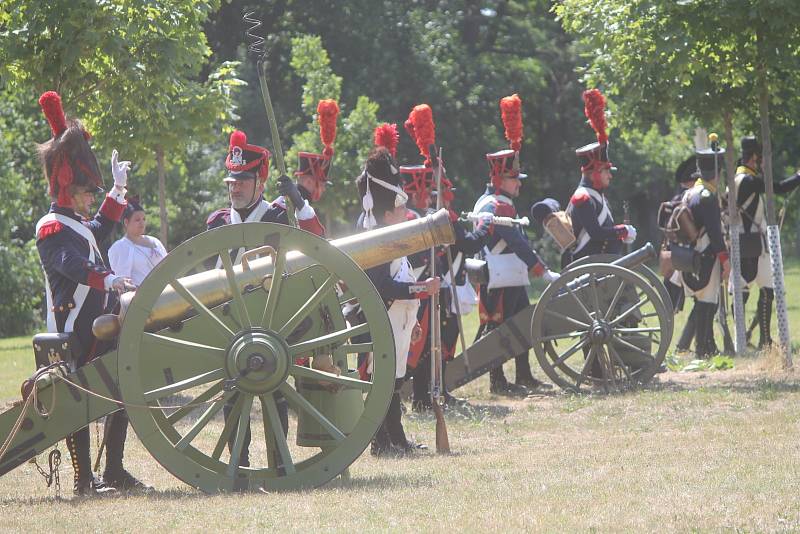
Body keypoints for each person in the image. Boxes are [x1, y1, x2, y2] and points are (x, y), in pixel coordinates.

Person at [34, 91, 149, 495]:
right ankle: (85, 481)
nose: (89, 200)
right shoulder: (51, 227)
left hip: (102, 324)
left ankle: (113, 469)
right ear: (67, 189)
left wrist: (117, 192)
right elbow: (70, 264)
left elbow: (98, 229)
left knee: (122, 388)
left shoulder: (76, 223)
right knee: (79, 402)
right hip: (74, 326)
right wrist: (108, 279)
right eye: (85, 193)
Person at [357, 139, 439, 455]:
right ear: (389, 213)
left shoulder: (393, 238)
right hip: (383, 320)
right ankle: (382, 442)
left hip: (399, 321)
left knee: (392, 383)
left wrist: (415, 318)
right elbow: (382, 288)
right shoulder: (377, 244)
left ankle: (396, 439)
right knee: (385, 384)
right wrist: (421, 290)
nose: (407, 212)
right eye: (401, 208)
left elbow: (400, 277)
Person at [473, 94, 557, 395]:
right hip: (500, 275)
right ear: (499, 179)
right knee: (498, 328)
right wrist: (541, 269)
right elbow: (517, 241)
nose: (519, 184)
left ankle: (522, 375)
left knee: (522, 324)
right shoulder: (499, 205)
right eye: (514, 179)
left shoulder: (491, 201)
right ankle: (498, 380)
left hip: (505, 274)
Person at [732, 136, 800, 348]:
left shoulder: (735, 178)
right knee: (747, 292)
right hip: (751, 243)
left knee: (764, 291)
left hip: (748, 242)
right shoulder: (749, 180)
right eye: (759, 158)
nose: (762, 163)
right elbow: (778, 187)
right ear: (753, 157)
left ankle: (760, 339)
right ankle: (749, 339)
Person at [564, 89, 636, 268]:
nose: (610, 176)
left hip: (603, 264)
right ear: (594, 172)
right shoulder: (582, 198)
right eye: (606, 171)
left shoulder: (595, 196)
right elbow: (595, 233)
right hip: (591, 266)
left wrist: (622, 235)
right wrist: (622, 230)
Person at [678, 148, 731, 358]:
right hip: (705, 254)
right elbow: (716, 234)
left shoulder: (688, 193)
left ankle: (707, 346)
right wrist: (725, 259)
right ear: (716, 174)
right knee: (708, 302)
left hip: (689, 256)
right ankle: (703, 349)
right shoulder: (707, 196)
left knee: (704, 302)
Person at [664, 156, 702, 352]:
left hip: (678, 257)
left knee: (699, 302)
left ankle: (684, 345)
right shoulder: (685, 199)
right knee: (701, 302)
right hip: (685, 257)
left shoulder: (677, 198)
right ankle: (682, 345)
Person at [108, 199, 167, 287]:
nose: (142, 223)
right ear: (126, 222)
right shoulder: (119, 247)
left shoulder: (155, 241)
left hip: (165, 291)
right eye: (137, 220)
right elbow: (121, 281)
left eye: (144, 219)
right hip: (141, 296)